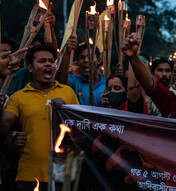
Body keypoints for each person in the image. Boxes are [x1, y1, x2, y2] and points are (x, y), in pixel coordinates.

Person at [0, 45, 79, 191]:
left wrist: (67, 110)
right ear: (30, 68)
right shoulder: (18, 97)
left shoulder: (67, 92)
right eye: (42, 61)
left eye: (51, 61)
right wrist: (12, 137)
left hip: (64, 173)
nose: (48, 64)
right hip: (30, 175)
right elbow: (3, 127)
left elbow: (81, 129)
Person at [59, 37, 105, 106]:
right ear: (77, 62)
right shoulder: (74, 81)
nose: (86, 60)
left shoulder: (107, 84)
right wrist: (67, 53)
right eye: (82, 57)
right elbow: (60, 82)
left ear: (98, 60)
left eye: (90, 57)